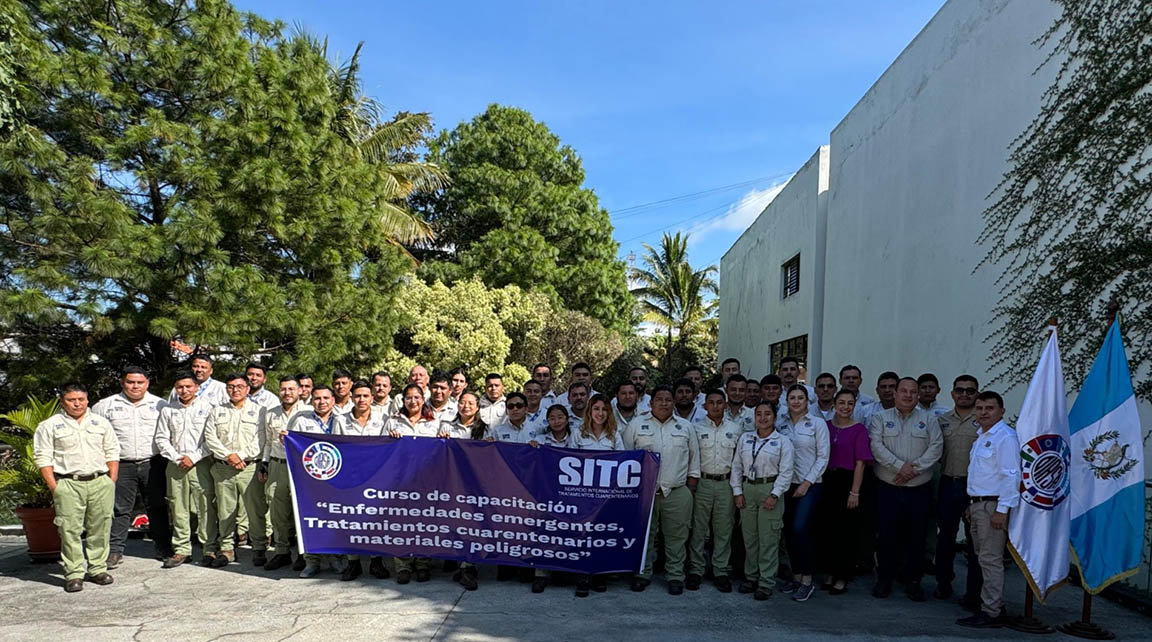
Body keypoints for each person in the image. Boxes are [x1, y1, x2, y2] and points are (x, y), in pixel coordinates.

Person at [33, 382, 119, 592]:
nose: (77, 404)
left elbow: (112, 451)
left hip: (100, 481)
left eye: (81, 399)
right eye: (71, 400)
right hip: (68, 483)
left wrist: (111, 479)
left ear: (87, 400)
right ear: (63, 402)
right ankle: (74, 573)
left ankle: (97, 569)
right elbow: (43, 457)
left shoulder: (101, 423)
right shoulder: (49, 425)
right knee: (69, 529)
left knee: (101, 526)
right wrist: (54, 486)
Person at [867, 377, 943, 601]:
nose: (908, 395)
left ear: (918, 395)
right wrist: (900, 467)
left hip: (918, 489)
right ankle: (884, 579)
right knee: (886, 536)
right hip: (888, 489)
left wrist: (913, 469)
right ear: (895, 393)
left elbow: (936, 448)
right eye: (903, 391)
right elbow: (876, 446)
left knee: (916, 538)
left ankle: (913, 581)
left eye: (912, 391)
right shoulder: (880, 418)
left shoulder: (929, 420)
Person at [622, 386, 699, 595]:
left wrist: (690, 490)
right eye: (659, 399)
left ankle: (675, 576)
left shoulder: (685, 427)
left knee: (677, 537)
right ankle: (642, 573)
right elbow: (625, 458)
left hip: (677, 491)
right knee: (645, 536)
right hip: (644, 492)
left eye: (668, 400)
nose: (664, 403)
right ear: (650, 402)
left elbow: (694, 461)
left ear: (673, 402)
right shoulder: (636, 425)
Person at [91, 366, 168, 568]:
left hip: (152, 462)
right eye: (130, 382)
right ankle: (115, 551)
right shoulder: (105, 406)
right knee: (119, 508)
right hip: (121, 464)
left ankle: (163, 547)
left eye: (139, 382)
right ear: (122, 383)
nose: (135, 386)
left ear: (147, 383)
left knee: (157, 506)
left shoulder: (160, 404)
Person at [957, 391, 1019, 628]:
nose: (983, 413)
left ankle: (992, 612)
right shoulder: (981, 437)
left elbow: (1011, 475)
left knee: (991, 560)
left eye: (989, 408)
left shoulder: (1005, 437)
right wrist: (972, 504)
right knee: (983, 558)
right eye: (980, 408)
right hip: (979, 504)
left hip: (993, 506)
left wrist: (1002, 510)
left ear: (1001, 411)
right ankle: (990, 605)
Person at [731, 401, 793, 601]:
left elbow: (786, 472)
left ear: (774, 416)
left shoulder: (782, 441)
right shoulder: (746, 438)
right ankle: (751, 577)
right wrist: (737, 491)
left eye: (767, 413)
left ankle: (766, 582)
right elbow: (737, 466)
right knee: (750, 537)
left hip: (770, 488)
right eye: (759, 414)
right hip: (748, 488)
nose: (763, 418)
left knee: (768, 539)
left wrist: (775, 495)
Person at [203, 373, 266, 568]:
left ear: (247, 389)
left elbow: (260, 439)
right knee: (225, 511)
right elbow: (210, 437)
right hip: (224, 468)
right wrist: (228, 456)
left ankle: (259, 547)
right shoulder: (217, 411)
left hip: (249, 467)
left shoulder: (259, 411)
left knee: (255, 510)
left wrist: (241, 457)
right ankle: (227, 548)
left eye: (239, 386)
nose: (235, 390)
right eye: (231, 387)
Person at [154, 371, 216, 569]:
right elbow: (161, 438)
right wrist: (177, 457)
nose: (184, 390)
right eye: (180, 387)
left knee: (205, 506)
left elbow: (211, 439)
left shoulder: (208, 408)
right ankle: (182, 549)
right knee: (177, 506)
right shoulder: (168, 410)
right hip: (176, 464)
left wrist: (194, 457)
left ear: (196, 387)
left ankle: (209, 548)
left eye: (188, 386)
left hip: (201, 463)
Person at [776, 384, 829, 602]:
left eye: (800, 398)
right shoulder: (781, 424)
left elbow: (823, 456)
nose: (796, 401)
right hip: (787, 484)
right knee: (789, 531)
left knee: (800, 528)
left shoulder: (817, 424)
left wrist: (807, 483)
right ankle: (796, 576)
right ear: (786, 401)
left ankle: (807, 580)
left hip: (810, 485)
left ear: (807, 401)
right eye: (792, 398)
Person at [934, 375, 984, 603]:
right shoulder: (942, 421)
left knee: (975, 541)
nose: (964, 394)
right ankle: (943, 583)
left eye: (970, 390)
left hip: (974, 488)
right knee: (946, 537)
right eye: (960, 390)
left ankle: (974, 592)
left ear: (977, 394)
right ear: (952, 394)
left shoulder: (983, 421)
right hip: (948, 483)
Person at [288, 385, 347, 577]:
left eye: (326, 398)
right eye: (317, 398)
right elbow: (293, 446)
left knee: (335, 519)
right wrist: (286, 440)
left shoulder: (341, 420)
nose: (322, 402)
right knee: (310, 518)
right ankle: (311, 561)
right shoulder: (301, 420)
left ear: (333, 400)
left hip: (336, 478)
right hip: (309, 478)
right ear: (311, 401)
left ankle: (335, 557)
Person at [569, 394, 624, 596]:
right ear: (589, 411)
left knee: (602, 535)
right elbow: (569, 459)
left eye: (604, 409)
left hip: (605, 496)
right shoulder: (578, 434)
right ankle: (582, 575)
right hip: (583, 495)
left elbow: (622, 463)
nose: (600, 413)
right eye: (596, 409)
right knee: (582, 535)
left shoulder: (614, 436)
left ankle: (600, 574)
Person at [818, 389, 872, 594]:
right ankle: (829, 572)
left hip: (848, 481)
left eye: (850, 403)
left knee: (846, 531)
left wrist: (854, 492)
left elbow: (860, 463)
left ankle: (842, 576)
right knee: (826, 529)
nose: (845, 407)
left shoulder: (859, 430)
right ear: (834, 404)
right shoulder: (825, 426)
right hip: (826, 481)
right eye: (842, 402)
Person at [687, 389, 742, 593]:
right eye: (711, 402)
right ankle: (696, 569)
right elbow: (691, 456)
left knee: (723, 529)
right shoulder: (696, 428)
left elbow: (739, 461)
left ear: (725, 405)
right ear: (705, 406)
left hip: (726, 483)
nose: (716, 406)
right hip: (702, 482)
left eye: (720, 402)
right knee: (698, 528)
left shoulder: (736, 429)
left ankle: (720, 570)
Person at [336, 381, 389, 582]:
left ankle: (376, 561)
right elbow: (335, 446)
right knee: (351, 519)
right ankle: (353, 562)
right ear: (351, 397)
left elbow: (387, 448)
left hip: (375, 476)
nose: (361, 399)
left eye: (366, 396)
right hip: (350, 477)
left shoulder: (383, 419)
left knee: (375, 519)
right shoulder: (341, 420)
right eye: (357, 396)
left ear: (372, 397)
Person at [388, 383, 439, 583]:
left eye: (417, 397)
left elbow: (442, 450)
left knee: (425, 522)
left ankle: (422, 563)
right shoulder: (393, 421)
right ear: (403, 400)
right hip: (400, 480)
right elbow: (380, 449)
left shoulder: (434, 422)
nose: (413, 401)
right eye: (408, 398)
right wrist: (390, 439)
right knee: (401, 523)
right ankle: (403, 565)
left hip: (426, 479)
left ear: (423, 399)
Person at [259, 376, 310, 572]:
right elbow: (267, 441)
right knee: (277, 510)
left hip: (300, 467)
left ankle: (303, 553)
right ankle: (281, 551)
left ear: (300, 391)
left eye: (291, 389)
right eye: (283, 389)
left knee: (300, 510)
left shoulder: (308, 412)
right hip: (277, 464)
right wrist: (264, 463)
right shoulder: (271, 413)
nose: (287, 393)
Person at [438, 391, 486, 591]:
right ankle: (461, 564)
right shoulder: (446, 426)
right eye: (462, 402)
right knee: (456, 522)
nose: (466, 406)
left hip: (475, 483)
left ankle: (468, 566)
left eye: (471, 403)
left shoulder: (486, 429)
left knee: (473, 523)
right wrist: (441, 441)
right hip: (451, 481)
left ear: (477, 407)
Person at [526, 405, 575, 594]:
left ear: (567, 419)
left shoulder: (575, 438)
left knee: (567, 532)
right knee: (544, 532)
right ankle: (541, 574)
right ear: (548, 421)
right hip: (545, 492)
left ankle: (562, 570)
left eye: (560, 417)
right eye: (552, 418)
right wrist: (531, 449)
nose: (557, 421)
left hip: (570, 494)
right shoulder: (540, 440)